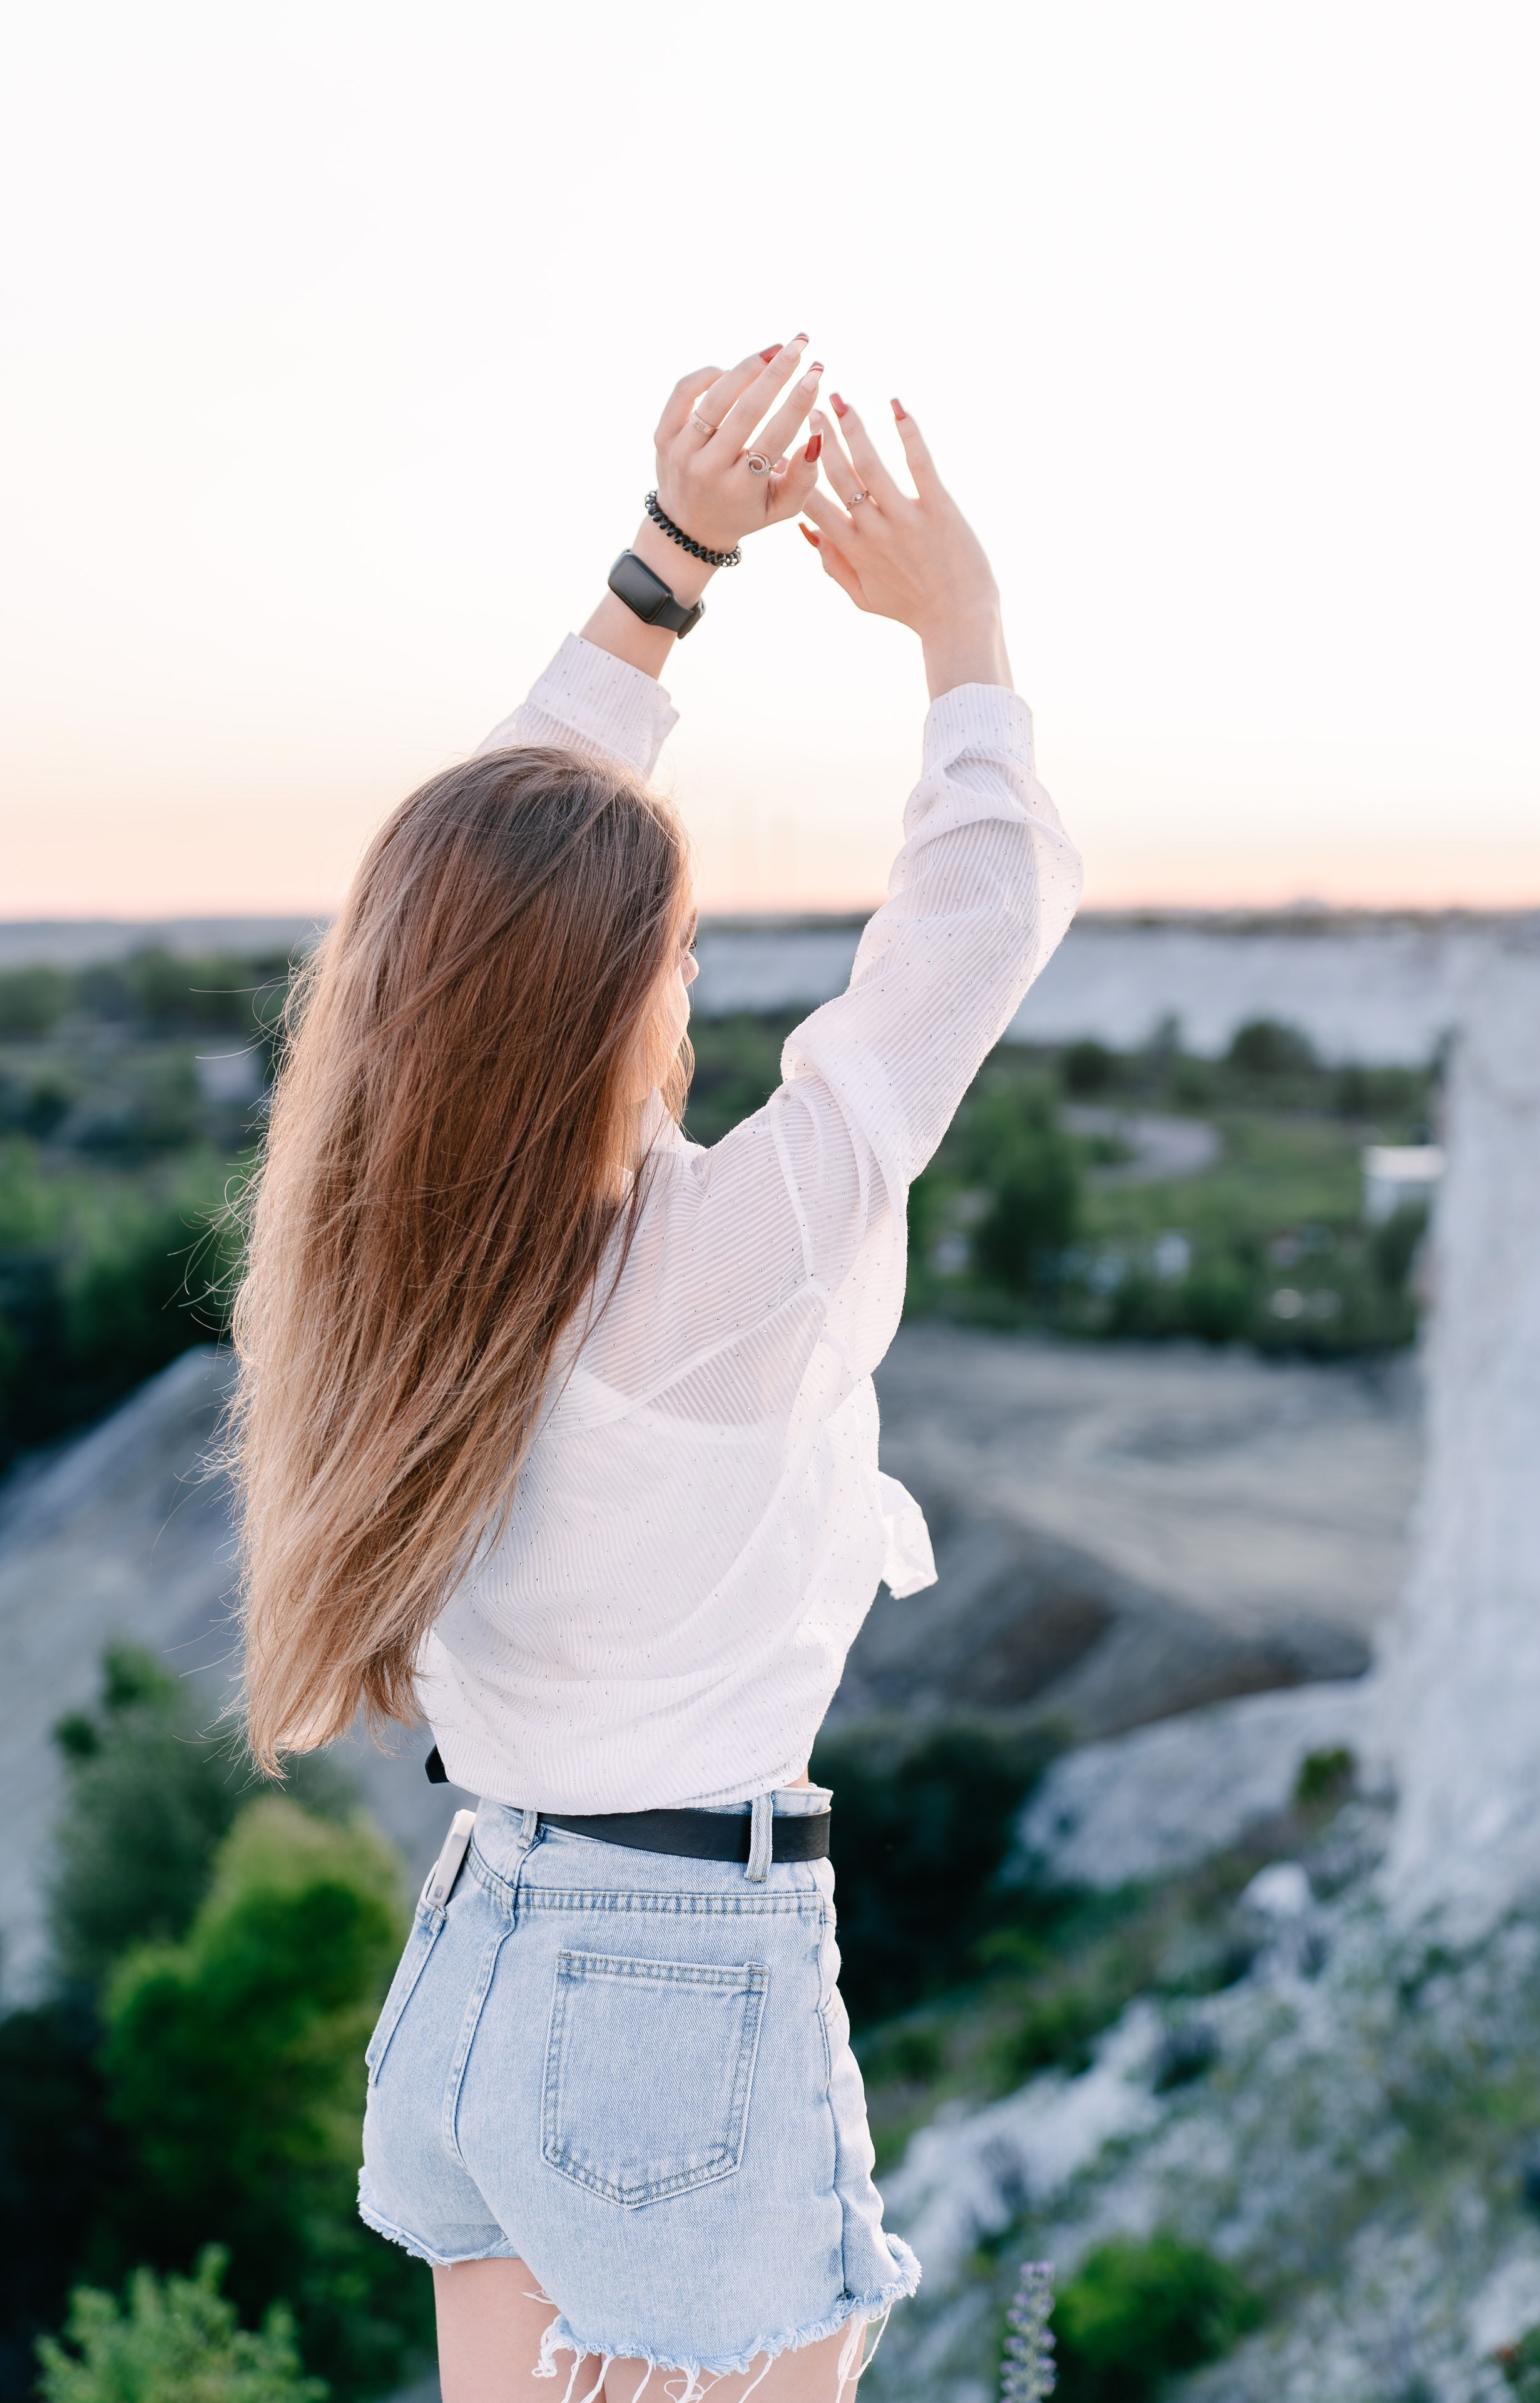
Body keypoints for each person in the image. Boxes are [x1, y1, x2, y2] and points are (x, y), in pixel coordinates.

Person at [233, 334, 1081, 2403]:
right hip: (680, 1988)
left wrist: (666, 565)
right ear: (615, 1012)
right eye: (674, 959)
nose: (687, 988)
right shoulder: (705, 1277)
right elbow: (978, 916)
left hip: (484, 1949)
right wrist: (963, 631)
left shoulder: (377, 1266)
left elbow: (459, 912)